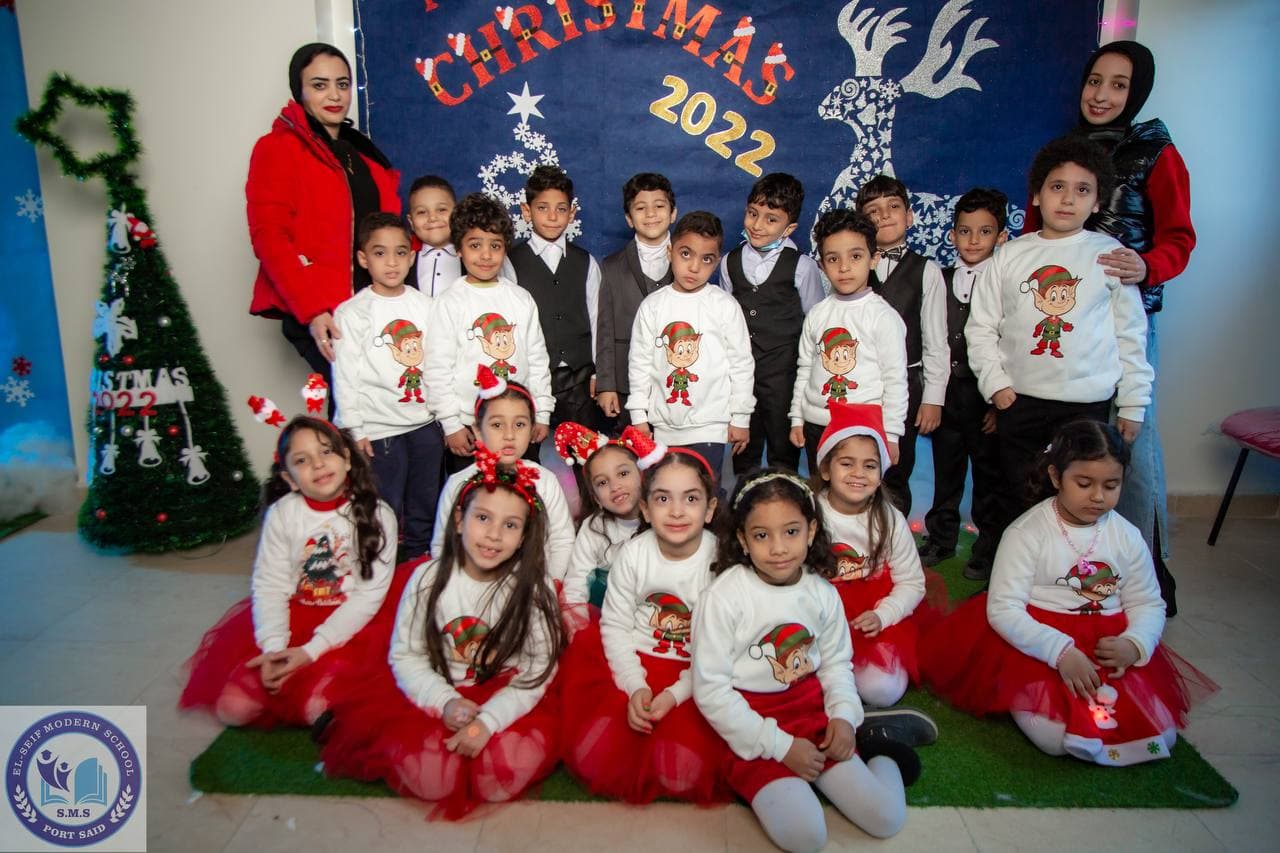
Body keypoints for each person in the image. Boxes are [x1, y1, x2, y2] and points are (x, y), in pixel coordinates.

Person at [920, 421, 1214, 765]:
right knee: (1054, 740)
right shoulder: (1026, 532)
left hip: (1108, 644)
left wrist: (1134, 644)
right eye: (1084, 484)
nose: (1098, 497)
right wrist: (1060, 653)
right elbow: (1004, 608)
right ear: (1056, 477)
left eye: (1111, 485)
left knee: (1162, 733)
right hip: (1037, 640)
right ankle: (1028, 695)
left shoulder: (1128, 536)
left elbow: (1148, 601)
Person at [318, 451, 564, 818]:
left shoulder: (534, 589)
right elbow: (407, 655)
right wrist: (444, 701)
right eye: (483, 518)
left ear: (525, 536)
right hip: (438, 686)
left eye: (511, 525)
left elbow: (537, 670)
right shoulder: (428, 579)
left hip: (507, 692)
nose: (494, 534)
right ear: (460, 521)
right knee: (431, 781)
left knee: (501, 780)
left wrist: (489, 721)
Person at [693, 469, 924, 852]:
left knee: (886, 818)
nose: (778, 548)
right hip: (751, 726)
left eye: (791, 531)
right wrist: (782, 747)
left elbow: (836, 665)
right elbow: (711, 691)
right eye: (762, 535)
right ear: (743, 540)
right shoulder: (723, 598)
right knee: (805, 837)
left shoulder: (822, 593)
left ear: (811, 531)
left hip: (813, 715)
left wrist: (843, 716)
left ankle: (880, 749)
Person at [967, 136, 1153, 555]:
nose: (1068, 199)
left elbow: (1130, 337)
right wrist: (995, 384)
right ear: (1037, 195)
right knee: (1019, 495)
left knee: (1079, 500)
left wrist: (1133, 403)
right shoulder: (1009, 256)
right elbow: (981, 328)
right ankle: (1015, 575)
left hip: (1085, 406)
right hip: (1021, 404)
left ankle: (1072, 574)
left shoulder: (1110, 256)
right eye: (1057, 187)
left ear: (1098, 202)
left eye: (1082, 190)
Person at [179, 416, 398, 728]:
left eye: (326, 452)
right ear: (290, 478)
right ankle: (294, 679)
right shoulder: (282, 514)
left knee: (316, 708)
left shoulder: (379, 515)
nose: (318, 464)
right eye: (302, 460)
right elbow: (270, 586)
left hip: (352, 622)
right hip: (296, 617)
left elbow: (367, 597)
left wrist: (311, 651)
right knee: (233, 709)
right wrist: (275, 650)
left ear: (347, 459)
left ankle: (326, 693)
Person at [1079, 40, 1194, 615]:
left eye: (1118, 85)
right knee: (1079, 435)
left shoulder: (1157, 152)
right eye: (1094, 81)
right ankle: (1080, 565)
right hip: (1069, 322)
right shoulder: (1068, 151)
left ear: (1137, 92)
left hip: (1129, 321)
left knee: (1132, 439)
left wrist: (1147, 266)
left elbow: (1179, 237)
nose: (1101, 95)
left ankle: (1146, 571)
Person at [559, 445, 729, 804]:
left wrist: (675, 694)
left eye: (691, 499)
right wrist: (635, 685)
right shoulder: (634, 554)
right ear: (646, 510)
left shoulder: (719, 562)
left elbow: (720, 650)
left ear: (710, 508)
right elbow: (615, 626)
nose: (677, 511)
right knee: (595, 757)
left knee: (686, 770)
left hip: (695, 672)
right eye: (663, 499)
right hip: (637, 660)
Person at [248, 43, 400, 387]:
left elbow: (391, 233)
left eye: (342, 84)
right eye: (320, 85)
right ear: (299, 90)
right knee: (354, 401)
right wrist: (313, 309)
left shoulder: (364, 157)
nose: (334, 95)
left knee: (381, 404)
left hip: (371, 308)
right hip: (320, 308)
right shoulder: (277, 149)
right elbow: (269, 237)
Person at [332, 212, 442, 558]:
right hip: (380, 430)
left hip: (425, 423)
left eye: (400, 252)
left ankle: (419, 558)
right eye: (380, 253)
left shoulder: (426, 306)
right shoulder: (352, 313)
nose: (391, 262)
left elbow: (441, 364)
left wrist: (445, 415)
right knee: (385, 504)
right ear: (363, 258)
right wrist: (354, 428)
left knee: (425, 499)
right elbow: (345, 376)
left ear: (411, 256)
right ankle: (382, 564)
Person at [811, 402, 934, 709]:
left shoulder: (889, 519)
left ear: (881, 474)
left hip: (871, 614)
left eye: (869, 466)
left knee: (882, 691)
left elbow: (912, 583)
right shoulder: (808, 513)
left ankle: (859, 702)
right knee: (798, 681)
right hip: (818, 614)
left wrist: (883, 615)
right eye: (846, 463)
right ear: (825, 469)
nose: (858, 474)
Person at [423, 193, 553, 473]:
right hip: (469, 428)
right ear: (459, 248)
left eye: (495, 245)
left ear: (505, 248)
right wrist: (451, 424)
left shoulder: (520, 299)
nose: (486, 255)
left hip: (518, 425)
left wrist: (541, 412)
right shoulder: (449, 302)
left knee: (525, 490)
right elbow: (437, 369)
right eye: (475, 245)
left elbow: (537, 360)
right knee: (473, 494)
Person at [627, 211, 755, 484]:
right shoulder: (653, 306)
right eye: (686, 254)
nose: (694, 267)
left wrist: (741, 418)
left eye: (706, 259)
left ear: (716, 262)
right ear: (670, 252)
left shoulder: (724, 305)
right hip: (664, 427)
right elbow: (639, 365)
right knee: (668, 490)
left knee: (707, 491)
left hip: (712, 427)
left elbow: (742, 365)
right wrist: (638, 416)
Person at [918, 189, 1007, 580]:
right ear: (952, 234)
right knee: (946, 471)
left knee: (988, 476)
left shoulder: (1005, 281)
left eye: (984, 231)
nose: (973, 240)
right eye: (965, 231)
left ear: (1001, 236)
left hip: (984, 397)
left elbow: (1010, 343)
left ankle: (987, 548)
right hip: (948, 394)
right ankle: (941, 537)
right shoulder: (940, 277)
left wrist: (997, 405)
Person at [718, 173, 826, 475]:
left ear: (789, 228)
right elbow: (725, 319)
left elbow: (815, 323)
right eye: (753, 214)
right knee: (743, 451)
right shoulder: (729, 262)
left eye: (771, 219)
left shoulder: (802, 266)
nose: (757, 224)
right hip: (743, 378)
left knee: (783, 449)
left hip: (784, 376)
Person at [789, 208, 908, 474]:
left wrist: (891, 433)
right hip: (817, 423)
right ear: (822, 265)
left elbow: (895, 380)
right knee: (820, 489)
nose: (844, 267)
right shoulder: (818, 313)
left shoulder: (883, 317)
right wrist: (797, 417)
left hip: (862, 426)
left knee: (856, 490)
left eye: (855, 256)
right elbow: (805, 369)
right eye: (833, 259)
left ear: (873, 259)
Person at [856, 175, 948, 517]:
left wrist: (933, 397)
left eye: (893, 207)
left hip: (906, 385)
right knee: (857, 463)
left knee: (897, 465)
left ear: (909, 216)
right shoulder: (852, 266)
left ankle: (893, 538)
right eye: (873, 210)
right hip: (859, 383)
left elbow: (936, 340)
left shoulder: (926, 271)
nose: (884, 215)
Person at [430, 368, 573, 580]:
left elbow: (562, 540)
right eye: (497, 425)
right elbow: (442, 545)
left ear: (531, 429)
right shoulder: (458, 483)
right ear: (478, 431)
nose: (509, 435)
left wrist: (552, 583)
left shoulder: (545, 481)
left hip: (531, 585)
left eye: (520, 424)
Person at [504, 165, 602, 435]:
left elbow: (597, 320)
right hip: (532, 379)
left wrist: (599, 373)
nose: (552, 217)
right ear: (527, 211)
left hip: (580, 379)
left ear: (572, 213)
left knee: (586, 451)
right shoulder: (511, 262)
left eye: (561, 209)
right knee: (526, 451)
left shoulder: (586, 262)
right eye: (542, 208)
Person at [595, 173, 678, 431]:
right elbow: (605, 330)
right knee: (632, 450)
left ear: (673, 213)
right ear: (629, 218)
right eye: (641, 208)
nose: (651, 214)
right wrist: (606, 385)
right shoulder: (611, 266)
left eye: (659, 206)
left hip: (676, 380)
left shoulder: (689, 261)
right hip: (626, 383)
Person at [554, 421, 646, 615]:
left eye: (623, 473)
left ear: (641, 475)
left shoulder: (660, 518)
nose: (615, 486)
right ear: (596, 499)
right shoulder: (593, 527)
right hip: (608, 608)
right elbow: (577, 578)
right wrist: (575, 617)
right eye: (602, 482)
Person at [405, 175, 461, 297]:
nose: (432, 218)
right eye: (422, 212)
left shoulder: (473, 257)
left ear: (457, 214)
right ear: (411, 222)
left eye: (441, 209)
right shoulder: (402, 259)